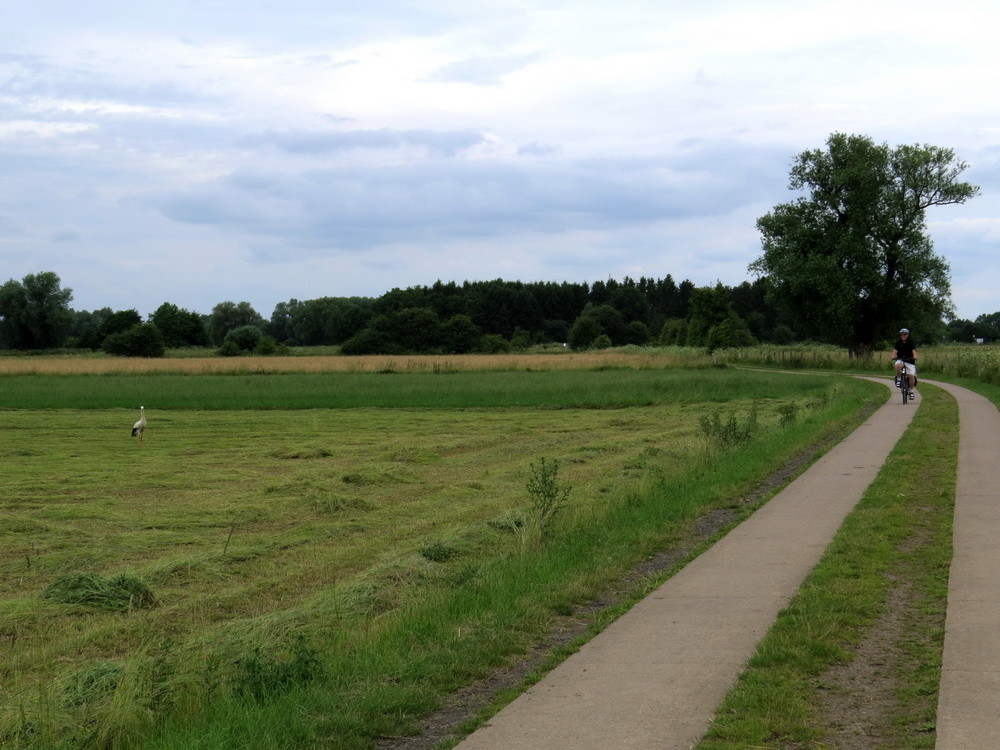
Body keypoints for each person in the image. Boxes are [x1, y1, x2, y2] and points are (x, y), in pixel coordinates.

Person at [891, 328, 917, 399]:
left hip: (910, 361)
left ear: (907, 335)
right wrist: (893, 356)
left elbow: (913, 351)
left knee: (911, 376)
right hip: (901, 359)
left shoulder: (911, 342)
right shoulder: (898, 343)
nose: (903, 336)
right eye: (902, 334)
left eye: (904, 334)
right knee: (897, 365)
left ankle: (911, 391)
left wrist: (915, 356)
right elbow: (895, 351)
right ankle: (899, 379)